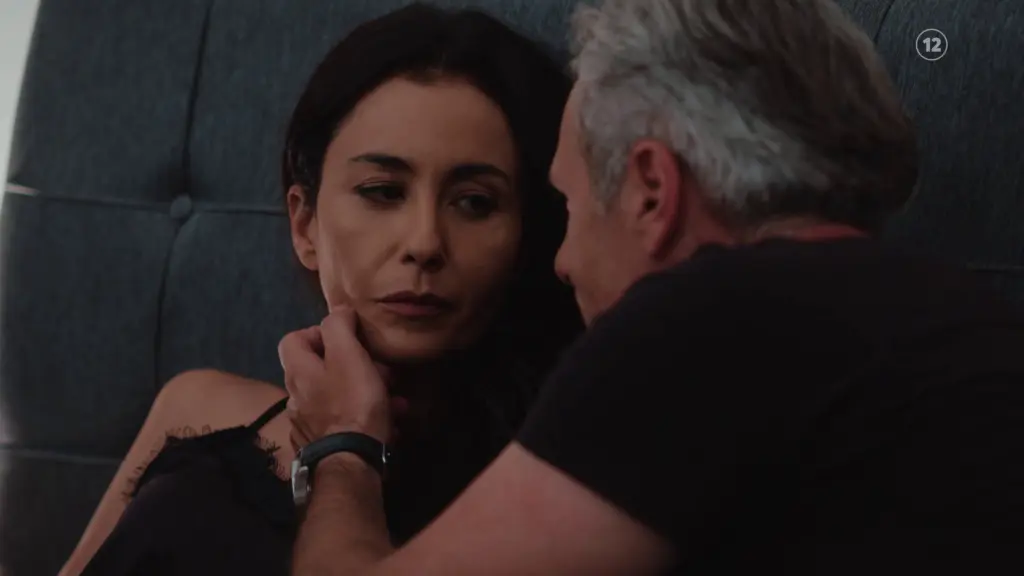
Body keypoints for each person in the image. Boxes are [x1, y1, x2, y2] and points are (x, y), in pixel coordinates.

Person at [280, 0, 1024, 574]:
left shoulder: (707, 321)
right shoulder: (969, 317)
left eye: (570, 207)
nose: (561, 260)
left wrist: (342, 446)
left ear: (651, 191)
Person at [58, 4, 583, 575]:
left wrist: (344, 448)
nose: (425, 242)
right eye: (383, 191)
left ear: (527, 235)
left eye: (475, 202)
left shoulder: (555, 492)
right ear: (304, 224)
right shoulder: (197, 407)